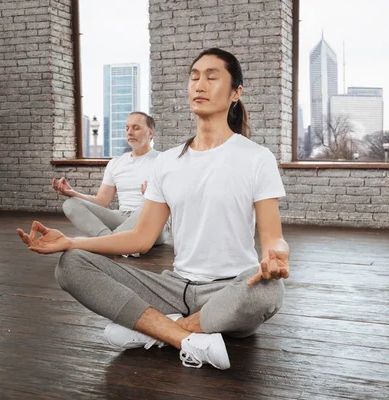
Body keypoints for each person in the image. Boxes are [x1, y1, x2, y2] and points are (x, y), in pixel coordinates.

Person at [18, 48, 289, 370]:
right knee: (71, 264)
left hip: (231, 288)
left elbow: (272, 236)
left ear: (235, 93)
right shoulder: (167, 162)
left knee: (268, 290)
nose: (199, 85)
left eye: (212, 77)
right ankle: (186, 337)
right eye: (194, 77)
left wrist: (277, 255)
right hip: (175, 287)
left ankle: (157, 328)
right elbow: (141, 238)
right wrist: (71, 242)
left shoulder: (256, 158)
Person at [52, 112, 169, 254]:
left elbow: (173, 201)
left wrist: (153, 196)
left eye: (136, 128)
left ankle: (103, 244)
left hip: (152, 219)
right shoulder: (115, 164)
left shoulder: (164, 160)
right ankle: (111, 243)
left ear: (150, 133)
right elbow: (101, 201)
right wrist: (73, 193)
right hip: (122, 217)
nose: (130, 132)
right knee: (70, 203)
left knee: (146, 208)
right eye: (127, 128)